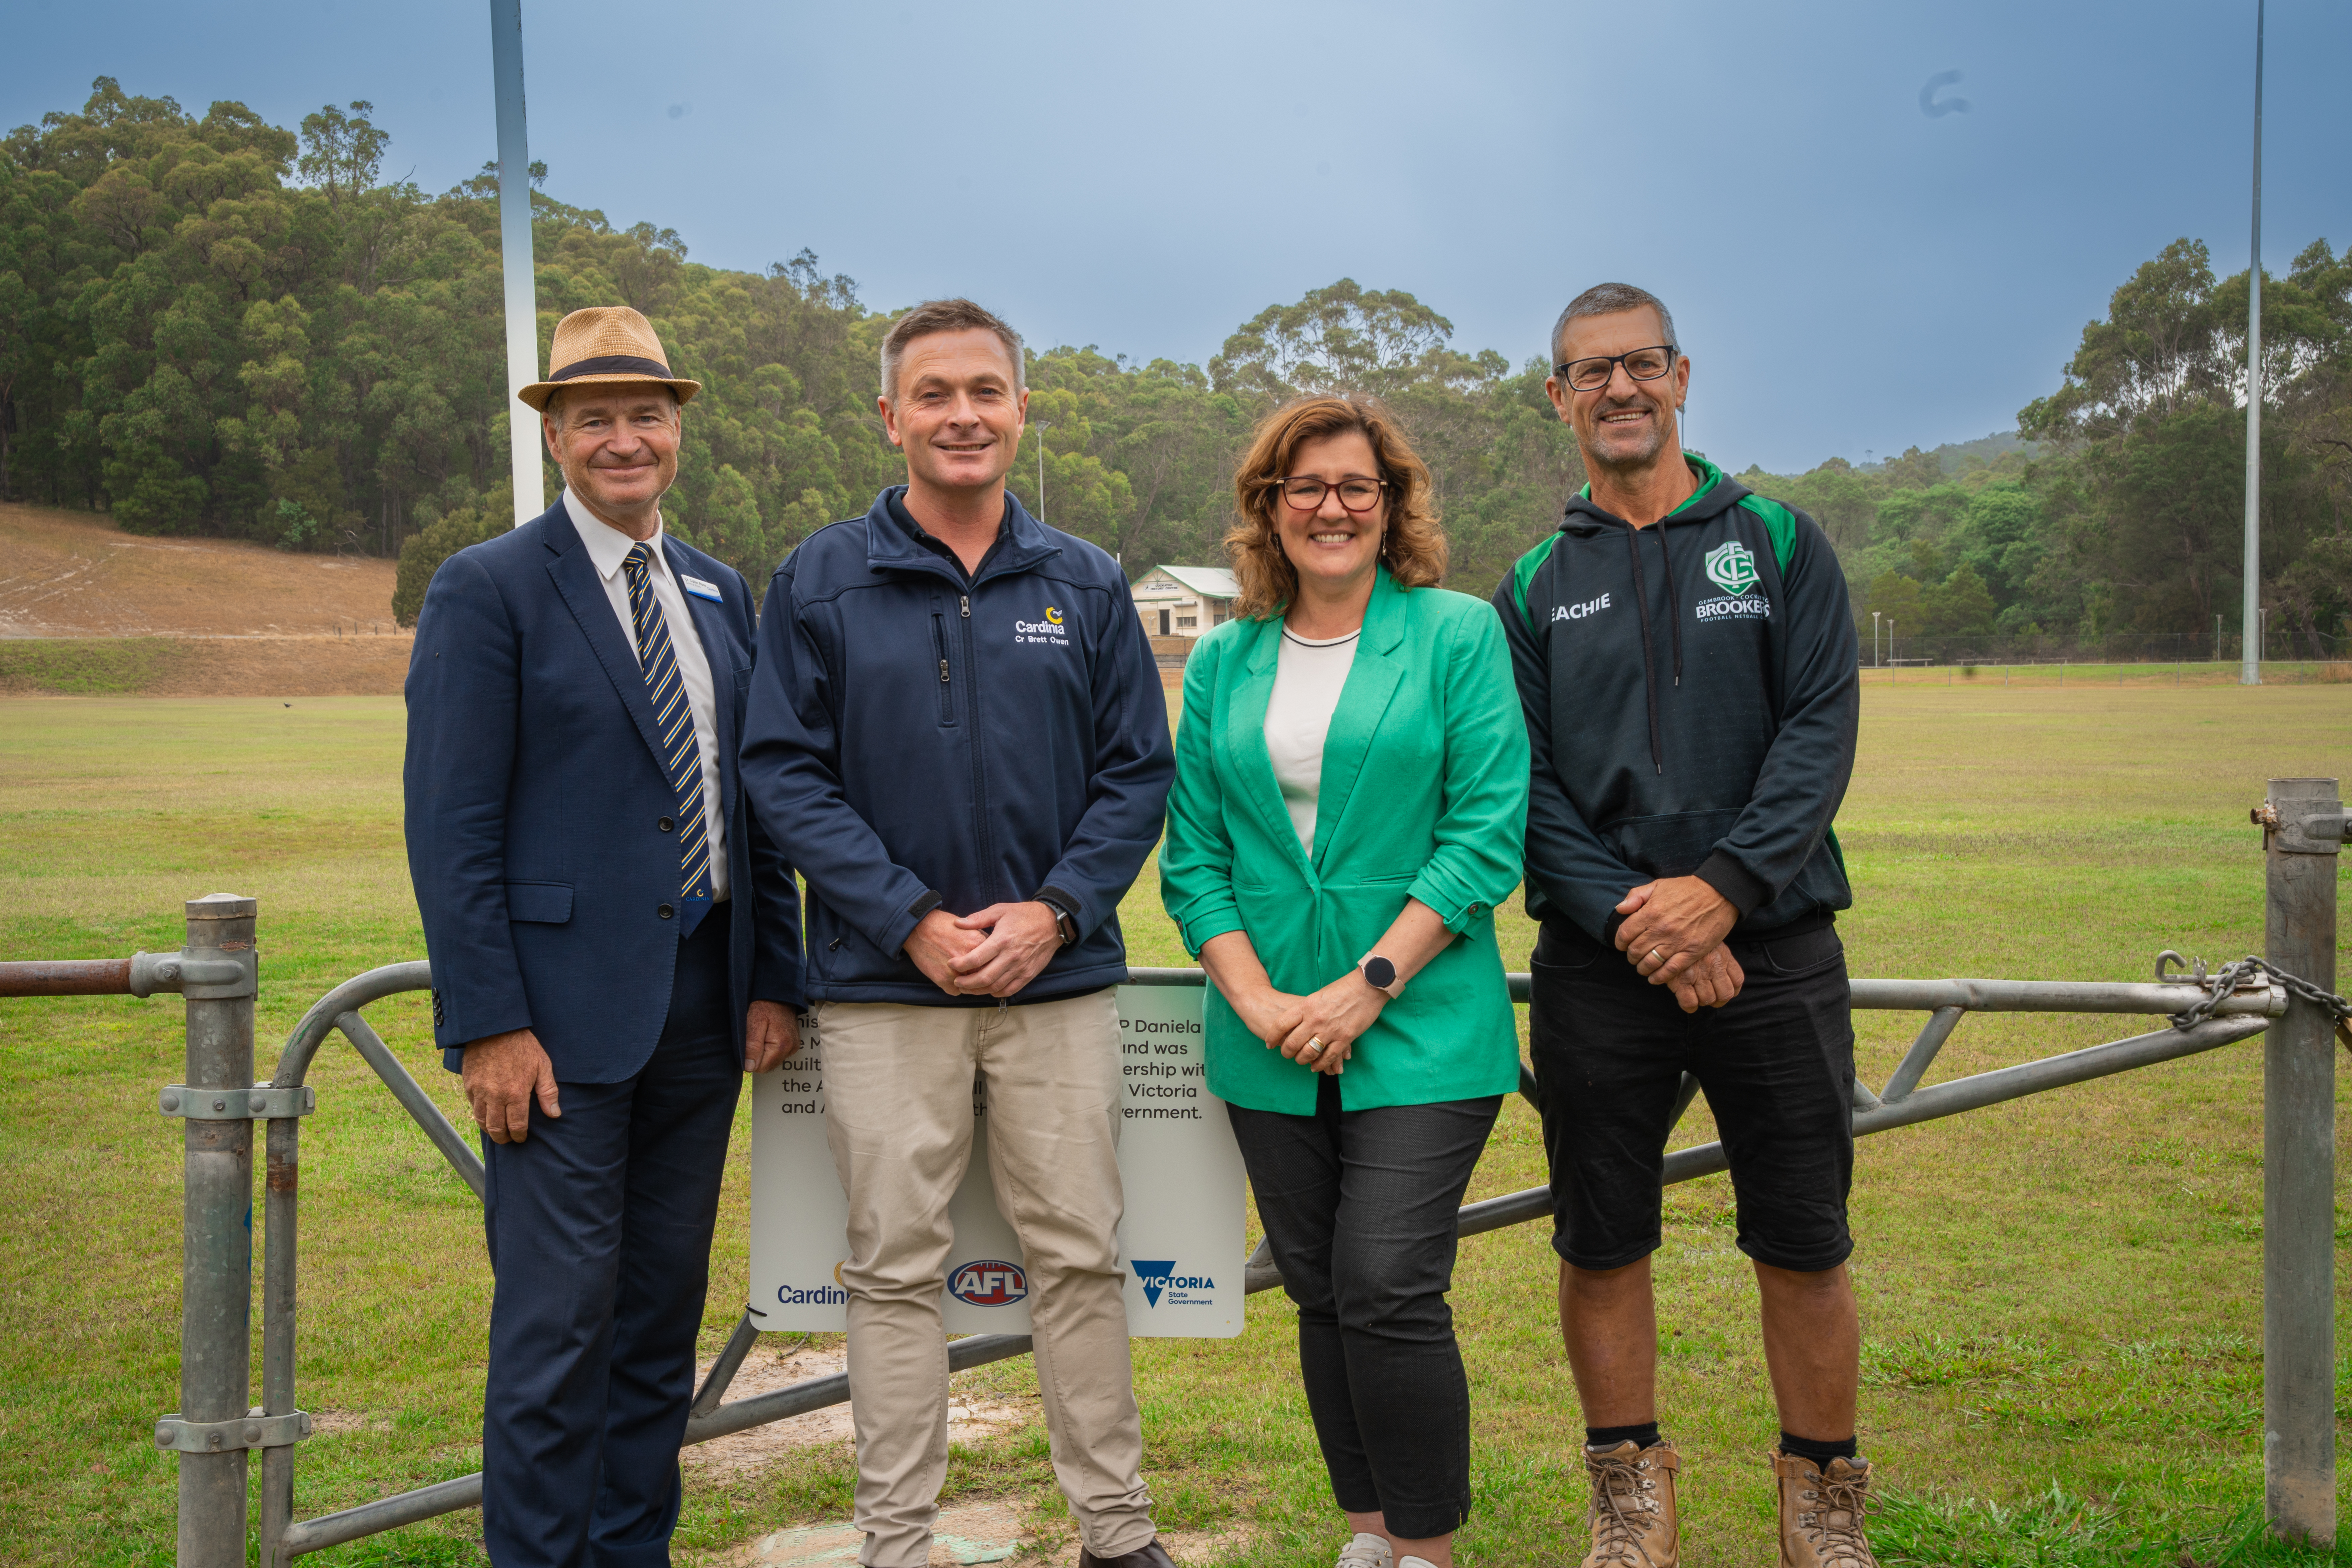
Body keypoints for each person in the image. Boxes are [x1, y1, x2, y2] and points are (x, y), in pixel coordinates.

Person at [739, 298, 1179, 1568]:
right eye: (933, 395)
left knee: (1083, 1262)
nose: (962, 415)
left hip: (1060, 987)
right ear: (890, 416)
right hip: (885, 993)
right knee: (888, 1270)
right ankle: (897, 1542)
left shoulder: (1086, 580)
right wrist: (909, 920)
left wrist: (1054, 912)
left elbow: (1135, 774)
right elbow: (784, 774)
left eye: (985, 391)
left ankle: (1116, 1530)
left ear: (1021, 410)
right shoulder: (821, 578)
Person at [404, 304, 804, 1566]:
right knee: (557, 1328)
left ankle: (633, 1552)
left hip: (703, 1005)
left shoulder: (715, 587)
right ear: (556, 437)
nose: (622, 440)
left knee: (654, 1324)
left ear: (677, 428)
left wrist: (772, 975)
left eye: (644, 415)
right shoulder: (490, 587)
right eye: (595, 420)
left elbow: (756, 794)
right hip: (557, 1023)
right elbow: (451, 827)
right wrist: (490, 1023)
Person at [1494, 282, 1868, 1568]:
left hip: (1775, 950)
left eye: (1640, 364)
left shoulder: (1775, 539)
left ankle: (1822, 1501)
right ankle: (1629, 1507)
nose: (1619, 389)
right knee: (1602, 1238)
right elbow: (1521, 788)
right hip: (1601, 970)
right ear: (1560, 397)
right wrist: (1636, 919)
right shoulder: (1537, 581)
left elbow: (1819, 734)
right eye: (1590, 372)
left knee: (1804, 1238)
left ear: (1683, 375)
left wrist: (1722, 893)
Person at [1160, 397, 1530, 1568]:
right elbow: (1195, 854)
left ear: (1392, 503)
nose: (1331, 506)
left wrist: (1369, 982)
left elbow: (1485, 832)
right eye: (1304, 487)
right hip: (1266, 1031)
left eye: (1355, 486)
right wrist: (1258, 999)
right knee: (1321, 1289)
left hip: (1418, 1018)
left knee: (1386, 1281)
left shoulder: (1455, 634)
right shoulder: (1225, 657)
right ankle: (1367, 1533)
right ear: (1269, 509)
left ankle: (1426, 1546)